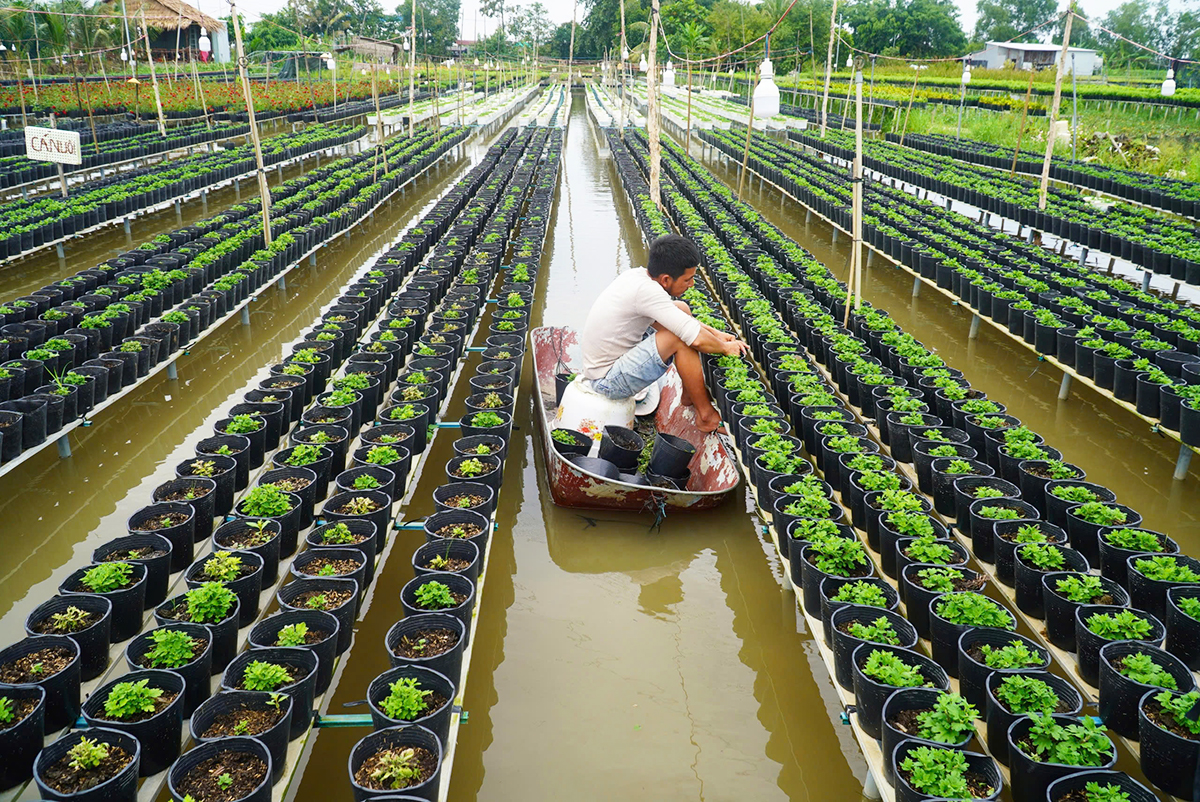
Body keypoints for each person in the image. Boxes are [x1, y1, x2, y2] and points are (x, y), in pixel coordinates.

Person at [580, 234, 748, 433]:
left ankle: (689, 394)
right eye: (688, 279)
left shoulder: (638, 276)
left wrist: (717, 334)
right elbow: (695, 338)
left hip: (610, 362)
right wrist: (725, 348)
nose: (692, 284)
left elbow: (678, 319)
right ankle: (706, 416)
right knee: (679, 338)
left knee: (681, 309)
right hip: (607, 381)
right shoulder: (647, 292)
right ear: (666, 279)